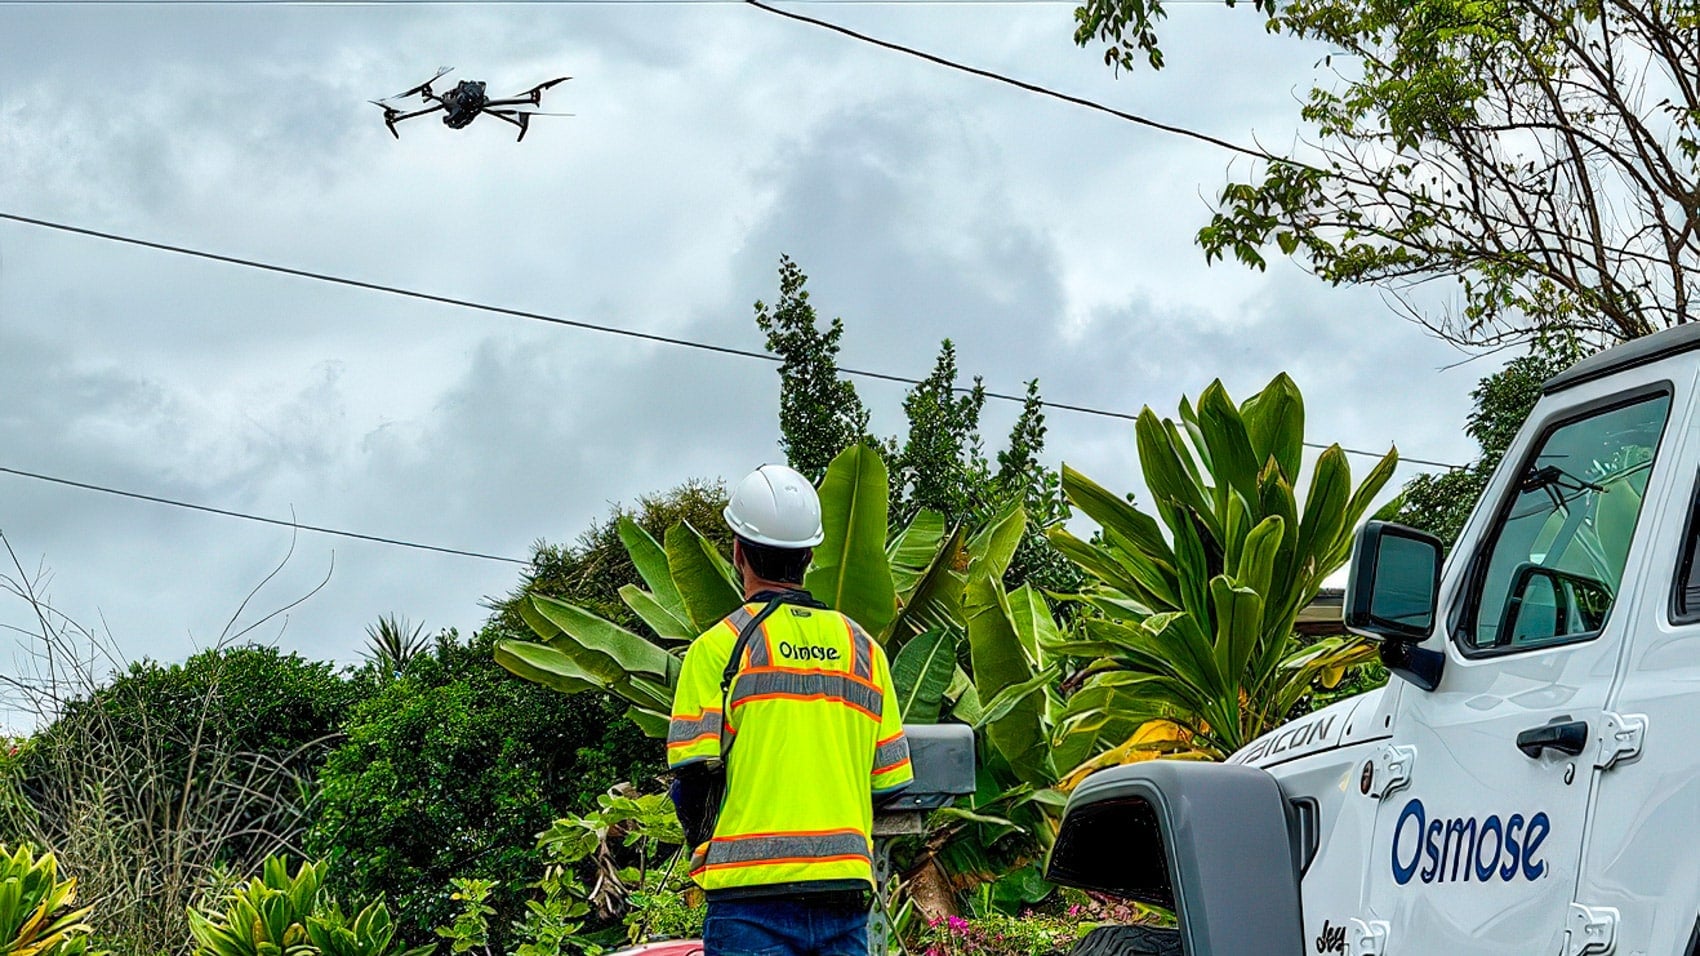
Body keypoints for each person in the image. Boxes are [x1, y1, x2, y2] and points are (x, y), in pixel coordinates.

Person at [667, 463, 913, 956]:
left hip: (748, 897)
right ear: (810, 554)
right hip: (843, 892)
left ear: (738, 552)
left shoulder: (720, 648)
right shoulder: (864, 651)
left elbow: (690, 780)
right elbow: (889, 785)